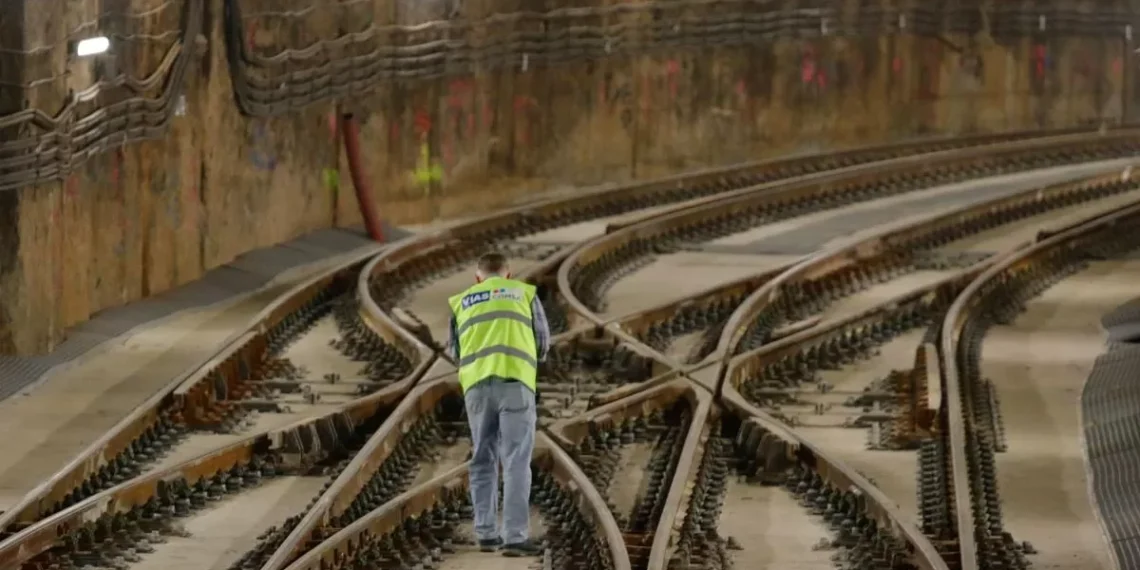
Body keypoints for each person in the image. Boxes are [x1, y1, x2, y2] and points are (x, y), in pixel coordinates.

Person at [446, 252, 550, 557]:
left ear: (478, 277)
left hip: (477, 389)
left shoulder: (462, 300)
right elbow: (543, 343)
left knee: (482, 459)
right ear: (508, 275)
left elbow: (455, 350)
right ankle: (515, 537)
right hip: (515, 385)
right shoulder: (523, 294)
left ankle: (486, 534)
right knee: (516, 461)